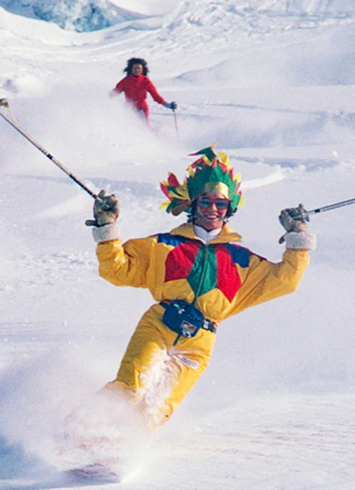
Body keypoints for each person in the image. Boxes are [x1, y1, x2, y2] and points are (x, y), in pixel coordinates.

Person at [87, 146, 314, 428]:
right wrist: (107, 230)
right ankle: (82, 429)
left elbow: (286, 281)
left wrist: (298, 238)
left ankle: (118, 451)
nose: (212, 210)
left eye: (220, 204)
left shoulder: (242, 260)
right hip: (159, 325)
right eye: (204, 202)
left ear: (229, 208)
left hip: (199, 342)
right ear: (192, 205)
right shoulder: (163, 245)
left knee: (156, 409)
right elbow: (117, 271)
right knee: (130, 389)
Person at [112, 57, 176, 123]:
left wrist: (167, 104)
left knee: (143, 128)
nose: (137, 70)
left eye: (139, 68)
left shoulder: (146, 81)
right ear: (131, 69)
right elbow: (116, 92)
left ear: (142, 69)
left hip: (142, 109)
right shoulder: (125, 81)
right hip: (129, 110)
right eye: (135, 68)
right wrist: (104, 97)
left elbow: (155, 95)